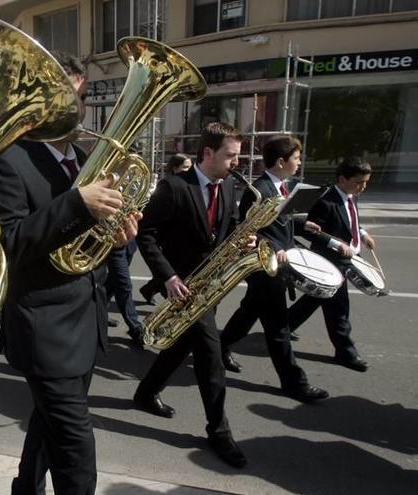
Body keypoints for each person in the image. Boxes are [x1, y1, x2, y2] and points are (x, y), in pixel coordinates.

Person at [0, 52, 140, 495]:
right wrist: (77, 204)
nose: (75, 107)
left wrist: (116, 237)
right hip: (44, 328)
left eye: (81, 97)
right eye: (63, 97)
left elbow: (87, 239)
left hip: (84, 320)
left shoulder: (86, 156)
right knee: (75, 446)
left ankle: (25, 489)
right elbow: (6, 243)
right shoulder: (8, 159)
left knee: (49, 425)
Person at [133, 122, 250, 468]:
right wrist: (167, 276)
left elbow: (223, 230)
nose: (235, 163)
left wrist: (241, 241)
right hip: (183, 285)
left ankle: (145, 392)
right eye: (230, 156)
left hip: (209, 285)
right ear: (208, 153)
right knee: (210, 356)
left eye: (237, 156)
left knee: (182, 344)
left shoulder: (228, 186)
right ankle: (219, 431)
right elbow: (146, 234)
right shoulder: (173, 186)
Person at [219, 136, 329, 403]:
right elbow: (248, 231)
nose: (299, 162)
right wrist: (271, 247)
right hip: (265, 267)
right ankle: (294, 383)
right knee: (279, 329)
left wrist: (303, 225)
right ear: (281, 162)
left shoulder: (283, 187)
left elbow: (280, 222)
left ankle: (219, 347)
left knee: (248, 313)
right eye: (296, 158)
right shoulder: (259, 191)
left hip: (279, 265)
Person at [288, 156, 376, 372]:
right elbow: (310, 231)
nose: (363, 187)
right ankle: (346, 352)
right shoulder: (325, 201)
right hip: (330, 261)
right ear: (342, 179)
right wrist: (336, 244)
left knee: (314, 299)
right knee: (339, 309)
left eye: (366, 182)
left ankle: (284, 325)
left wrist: (363, 234)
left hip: (346, 259)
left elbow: (351, 219)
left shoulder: (351, 195)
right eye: (358, 182)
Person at [138, 152, 194, 304]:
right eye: (185, 168)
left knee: (165, 273)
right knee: (168, 275)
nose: (189, 171)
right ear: (175, 168)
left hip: (180, 241)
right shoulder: (168, 185)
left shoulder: (188, 185)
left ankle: (148, 289)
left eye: (190, 167)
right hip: (167, 241)